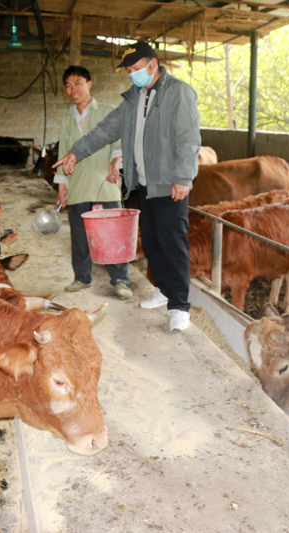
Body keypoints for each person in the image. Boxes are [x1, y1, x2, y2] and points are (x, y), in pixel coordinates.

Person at [53, 42, 200, 332]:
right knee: (154, 242)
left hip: (169, 183)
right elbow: (105, 130)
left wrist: (184, 177)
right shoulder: (134, 98)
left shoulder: (177, 92)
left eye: (136, 69)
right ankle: (163, 291)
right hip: (143, 183)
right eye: (129, 70)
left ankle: (180, 306)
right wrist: (75, 152)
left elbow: (188, 137)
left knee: (173, 243)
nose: (132, 75)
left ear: (152, 64)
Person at [55, 65, 132, 300]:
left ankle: (120, 281)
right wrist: (62, 186)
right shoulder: (67, 119)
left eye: (77, 83)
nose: (72, 89)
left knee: (112, 235)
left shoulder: (108, 111)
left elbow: (118, 142)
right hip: (78, 185)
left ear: (89, 84)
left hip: (104, 184)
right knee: (79, 236)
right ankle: (81, 277)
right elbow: (63, 151)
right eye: (68, 85)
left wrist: (115, 163)